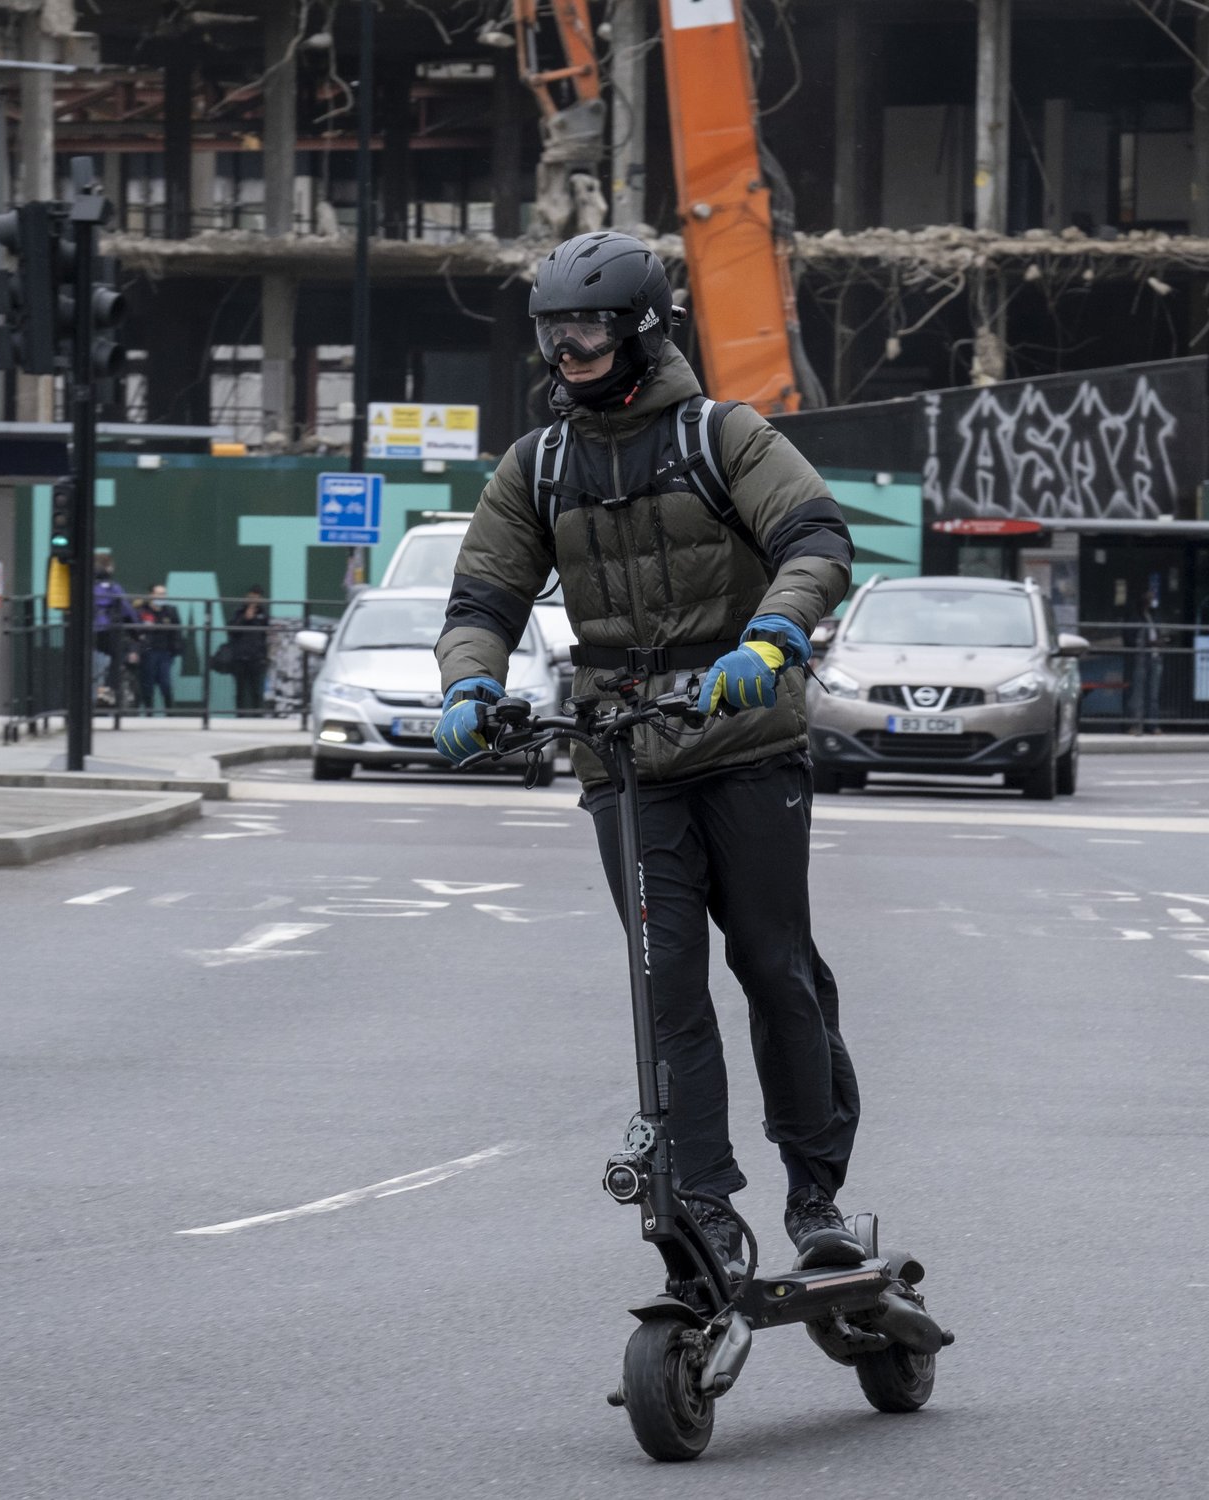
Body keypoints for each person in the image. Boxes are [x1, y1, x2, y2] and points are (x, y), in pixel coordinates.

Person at [431, 230, 866, 1274]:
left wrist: (773, 637)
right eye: (551, 334)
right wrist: (467, 681)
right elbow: (481, 594)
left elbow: (815, 537)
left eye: (583, 331)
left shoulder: (724, 436)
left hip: (745, 737)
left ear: (638, 331)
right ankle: (704, 1198)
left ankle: (815, 1197)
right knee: (661, 977)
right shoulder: (536, 465)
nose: (565, 352)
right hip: (622, 751)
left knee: (775, 968)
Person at [92, 555, 140, 707]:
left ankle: (99, 689)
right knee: (118, 654)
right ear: (108, 568)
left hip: (86, 631)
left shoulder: (85, 585)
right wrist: (137, 631)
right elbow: (127, 610)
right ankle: (107, 689)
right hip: (107, 629)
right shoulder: (112, 587)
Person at [1124, 583, 1168, 734]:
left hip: (1155, 657)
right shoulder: (1135, 616)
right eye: (1148, 597)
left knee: (1153, 694)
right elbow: (1130, 638)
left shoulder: (1153, 616)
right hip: (1141, 659)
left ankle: (1152, 724)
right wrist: (1149, 643)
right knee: (1138, 693)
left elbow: (1158, 632)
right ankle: (1135, 724)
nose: (1151, 600)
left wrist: (1161, 641)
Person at [135, 583, 182, 713]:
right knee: (147, 684)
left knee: (165, 683)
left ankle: (170, 714)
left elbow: (177, 632)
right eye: (159, 594)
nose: (162, 596)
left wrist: (175, 650)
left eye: (164, 594)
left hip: (165, 653)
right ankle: (149, 713)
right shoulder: (142, 611)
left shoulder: (170, 611)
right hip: (147, 653)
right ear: (151, 595)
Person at [226, 586, 270, 714]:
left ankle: (257, 716)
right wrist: (245, 618)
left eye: (256, 598)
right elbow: (231, 630)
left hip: (256, 658)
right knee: (240, 690)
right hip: (240, 657)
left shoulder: (264, 614)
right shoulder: (238, 612)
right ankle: (240, 715)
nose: (253, 601)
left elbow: (267, 634)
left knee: (256, 690)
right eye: (251, 598)